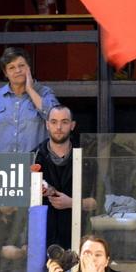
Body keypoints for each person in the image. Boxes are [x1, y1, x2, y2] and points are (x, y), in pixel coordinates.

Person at [33, 105, 97, 249]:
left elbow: (98, 202)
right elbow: (21, 204)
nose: (59, 127)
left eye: (64, 122)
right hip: (42, 238)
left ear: (72, 125)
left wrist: (72, 203)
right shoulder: (34, 158)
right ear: (47, 125)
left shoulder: (86, 160)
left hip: (78, 237)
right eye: (54, 122)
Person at [0, 47, 58, 153]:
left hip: (34, 162)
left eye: (21, 65)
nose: (17, 70)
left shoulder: (45, 93)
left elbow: (57, 120)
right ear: (5, 73)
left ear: (29, 67)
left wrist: (30, 90)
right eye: (11, 67)